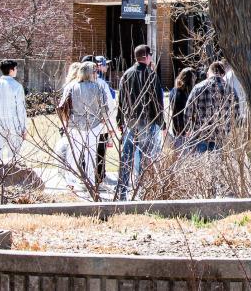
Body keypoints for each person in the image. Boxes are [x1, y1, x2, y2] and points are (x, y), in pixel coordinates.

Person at [114, 45, 165, 201]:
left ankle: (122, 192)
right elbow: (158, 102)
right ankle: (142, 191)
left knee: (127, 158)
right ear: (146, 56)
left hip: (131, 121)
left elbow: (121, 100)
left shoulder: (127, 75)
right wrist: (161, 123)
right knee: (145, 158)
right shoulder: (151, 75)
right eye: (150, 54)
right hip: (147, 122)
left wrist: (120, 120)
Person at [57, 62, 110, 193]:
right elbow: (105, 108)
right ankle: (91, 182)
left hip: (75, 124)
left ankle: (70, 181)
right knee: (91, 154)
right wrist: (107, 123)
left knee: (73, 153)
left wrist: (65, 121)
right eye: (94, 72)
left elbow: (61, 106)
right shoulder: (98, 87)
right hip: (94, 125)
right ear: (90, 73)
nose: (96, 74)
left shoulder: (72, 86)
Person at [185, 61, 240, 152]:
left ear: (209, 73)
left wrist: (189, 129)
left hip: (200, 136)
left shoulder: (198, 88)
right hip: (221, 137)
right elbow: (236, 114)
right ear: (223, 74)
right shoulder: (231, 90)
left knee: (201, 165)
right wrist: (228, 130)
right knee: (218, 165)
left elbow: (188, 111)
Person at [82, 55, 115, 185]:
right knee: (100, 150)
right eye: (104, 64)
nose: (106, 66)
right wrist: (110, 125)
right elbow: (109, 105)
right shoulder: (101, 83)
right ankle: (98, 177)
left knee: (85, 151)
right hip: (99, 123)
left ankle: (87, 175)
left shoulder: (78, 83)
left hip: (83, 123)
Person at [0, 59, 27, 165]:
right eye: (15, 68)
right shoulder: (17, 86)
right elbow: (21, 109)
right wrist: (23, 128)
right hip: (13, 123)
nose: (16, 70)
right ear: (11, 70)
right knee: (13, 153)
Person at [166, 68, 197, 150]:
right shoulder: (184, 94)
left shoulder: (173, 91)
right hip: (185, 130)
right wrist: (187, 130)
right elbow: (184, 113)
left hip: (176, 127)